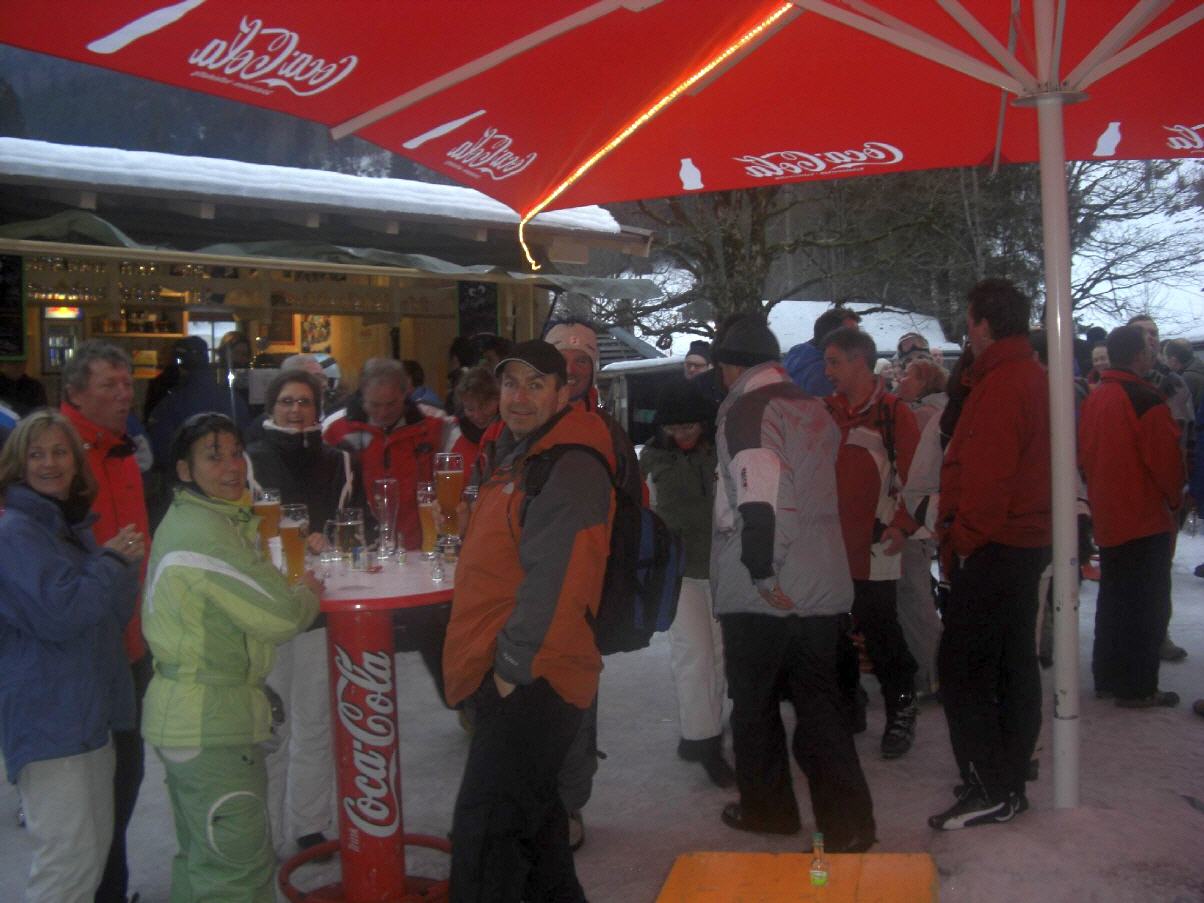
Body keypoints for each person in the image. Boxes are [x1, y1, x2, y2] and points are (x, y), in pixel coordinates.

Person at [443, 340, 615, 902]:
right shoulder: (521, 454)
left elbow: (561, 582)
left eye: (536, 385)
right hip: (513, 661)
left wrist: (511, 670)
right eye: (511, 383)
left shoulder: (569, 466)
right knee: (538, 833)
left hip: (533, 673)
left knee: (483, 838)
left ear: (563, 394)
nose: (519, 397)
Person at [709, 314, 876, 852]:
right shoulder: (809, 404)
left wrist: (762, 571)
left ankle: (768, 809)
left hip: (769, 588)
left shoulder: (747, 409)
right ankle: (849, 826)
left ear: (730, 365)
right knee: (820, 707)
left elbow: (763, 498)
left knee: (754, 705)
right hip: (820, 580)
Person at [142, 413, 319, 902]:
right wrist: (308, 590)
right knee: (237, 874)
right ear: (185, 470)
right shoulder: (204, 535)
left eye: (237, 453)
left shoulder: (204, 519)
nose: (232, 466)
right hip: (209, 724)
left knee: (203, 860)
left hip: (190, 717)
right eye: (213, 456)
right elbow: (281, 616)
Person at [0, 410, 144, 903]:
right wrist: (110, 562)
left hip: (88, 715)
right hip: (51, 722)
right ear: (17, 465)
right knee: (66, 868)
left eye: (60, 452)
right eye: (36, 454)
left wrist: (121, 568)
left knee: (88, 862)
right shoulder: (16, 533)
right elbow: (59, 615)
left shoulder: (68, 529)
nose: (50, 463)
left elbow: (106, 617)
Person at [929, 278, 1051, 831]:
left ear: (982, 324)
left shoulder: (1004, 383)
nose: (966, 331)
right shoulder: (1023, 374)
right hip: (1017, 541)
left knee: (966, 668)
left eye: (969, 320)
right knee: (1009, 663)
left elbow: (988, 476)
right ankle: (1006, 776)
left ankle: (991, 786)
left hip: (997, 544)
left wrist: (962, 538)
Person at [542, 317, 643, 849]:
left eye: (584, 360)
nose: (574, 369)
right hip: (518, 588)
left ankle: (567, 807)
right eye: (564, 359)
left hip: (582, 592)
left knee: (574, 700)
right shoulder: (513, 422)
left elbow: (632, 517)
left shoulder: (608, 433)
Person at [59, 340, 152, 903]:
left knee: (126, 775)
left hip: (130, 641)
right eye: (109, 386)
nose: (124, 395)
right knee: (90, 791)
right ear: (75, 393)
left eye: (127, 384)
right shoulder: (58, 454)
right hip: (86, 647)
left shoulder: (121, 450)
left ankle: (111, 890)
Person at [246, 369, 354, 853]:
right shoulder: (250, 460)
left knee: (316, 721)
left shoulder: (340, 461)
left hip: (321, 604)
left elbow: (354, 525)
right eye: (287, 401)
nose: (295, 410)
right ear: (271, 407)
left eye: (304, 402)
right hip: (271, 606)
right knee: (273, 724)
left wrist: (333, 541)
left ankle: (309, 824)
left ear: (318, 407)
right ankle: (264, 833)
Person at [822, 327, 921, 759]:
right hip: (830, 547)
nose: (827, 371)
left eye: (834, 362)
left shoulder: (893, 413)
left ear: (859, 361)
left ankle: (902, 708)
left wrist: (902, 525)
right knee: (835, 632)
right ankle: (849, 705)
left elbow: (918, 479)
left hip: (876, 545)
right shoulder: (825, 412)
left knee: (882, 633)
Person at [1079, 325, 1184, 708]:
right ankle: (1138, 686)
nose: (1153, 351)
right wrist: (1175, 499)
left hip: (1109, 512)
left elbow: (1084, 453)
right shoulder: (1145, 399)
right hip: (1143, 515)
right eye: (1149, 346)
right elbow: (1166, 462)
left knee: (1114, 599)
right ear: (1138, 355)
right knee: (1146, 605)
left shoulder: (1098, 396)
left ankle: (1108, 676)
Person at [638, 377, 733, 787]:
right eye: (674, 428)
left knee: (720, 655)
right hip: (678, 574)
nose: (682, 435)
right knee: (694, 654)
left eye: (689, 427)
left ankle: (706, 727)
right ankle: (703, 740)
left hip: (723, 569)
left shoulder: (721, 454)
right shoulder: (651, 462)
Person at [322, 357, 460, 551]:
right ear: (362, 394)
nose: (383, 412)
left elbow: (459, 479)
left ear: (406, 392)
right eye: (375, 405)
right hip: (359, 548)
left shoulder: (435, 424)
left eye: (391, 404)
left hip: (421, 547)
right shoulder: (335, 428)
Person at [1127, 315, 1190, 663]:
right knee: (1126, 569)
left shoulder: (1171, 382)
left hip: (1163, 489)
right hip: (1126, 488)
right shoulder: (1118, 380)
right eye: (1143, 333)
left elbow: (1181, 437)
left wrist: (1180, 487)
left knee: (1158, 567)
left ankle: (1157, 633)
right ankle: (1129, 638)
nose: (1150, 339)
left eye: (1154, 333)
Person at [893, 356, 949, 697]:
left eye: (909, 376)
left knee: (914, 596)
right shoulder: (941, 411)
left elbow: (912, 472)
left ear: (925, 383)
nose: (901, 380)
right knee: (917, 593)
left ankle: (932, 673)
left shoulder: (922, 416)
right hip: (927, 516)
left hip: (915, 515)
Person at [783, 306, 861, 396]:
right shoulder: (825, 374)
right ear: (831, 336)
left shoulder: (797, 351)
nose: (859, 339)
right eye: (851, 335)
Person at [452, 365, 500, 474]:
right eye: (470, 409)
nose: (478, 416)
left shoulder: (511, 437)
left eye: (484, 406)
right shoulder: (456, 437)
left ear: (499, 401)